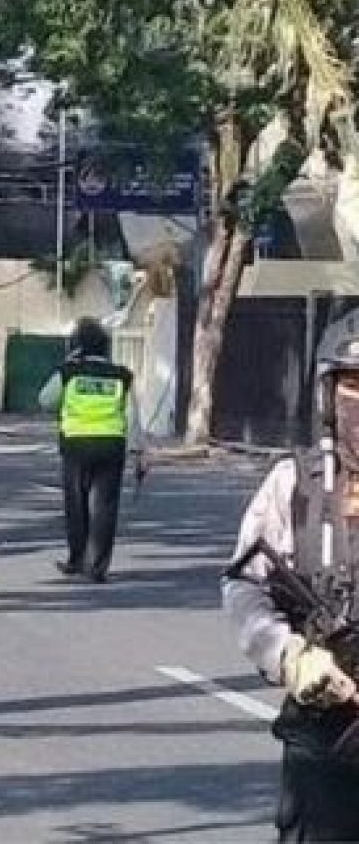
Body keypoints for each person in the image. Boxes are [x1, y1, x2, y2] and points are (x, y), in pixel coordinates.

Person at [223, 312, 359, 842]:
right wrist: (289, 655)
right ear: (328, 395)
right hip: (325, 736)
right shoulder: (294, 485)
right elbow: (245, 585)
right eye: (352, 385)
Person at [38, 316, 146, 583]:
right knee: (105, 508)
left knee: (77, 505)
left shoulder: (69, 372)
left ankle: (76, 560)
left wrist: (68, 369)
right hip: (111, 447)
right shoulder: (122, 375)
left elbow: (45, 401)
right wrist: (139, 453)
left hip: (76, 446)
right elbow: (133, 418)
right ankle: (98, 567)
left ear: (78, 346)